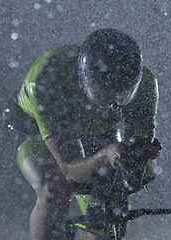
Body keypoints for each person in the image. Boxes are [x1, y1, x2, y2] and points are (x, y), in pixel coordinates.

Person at [11, 28, 161, 240]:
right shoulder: (48, 79)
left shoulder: (145, 83)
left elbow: (143, 172)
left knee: (114, 199)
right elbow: (70, 171)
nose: (112, 107)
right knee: (56, 190)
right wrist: (106, 156)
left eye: (123, 95)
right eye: (102, 92)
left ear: (135, 83)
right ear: (80, 81)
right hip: (35, 127)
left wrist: (140, 158)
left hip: (94, 131)